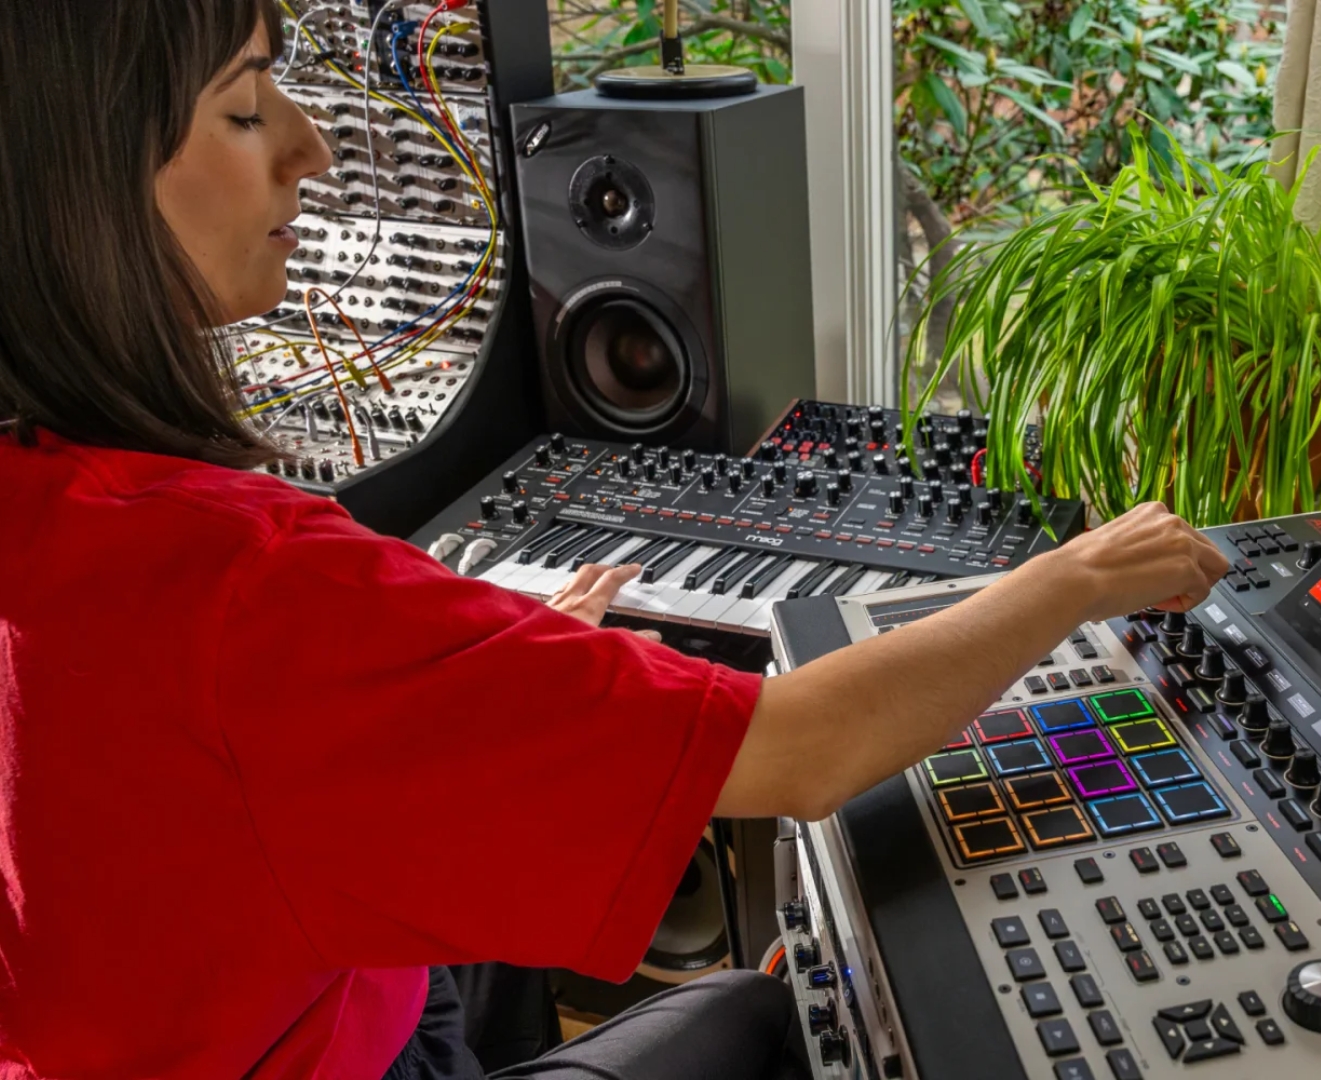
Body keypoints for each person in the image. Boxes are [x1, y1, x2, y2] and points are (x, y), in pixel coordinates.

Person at [0, 2, 1231, 1078]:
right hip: (341, 1052)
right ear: (83, 175)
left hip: (204, 1011)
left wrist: (477, 683)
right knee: (765, 1001)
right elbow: (803, 752)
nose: (313, 150)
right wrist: (1075, 576)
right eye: (245, 107)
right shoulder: (257, 587)